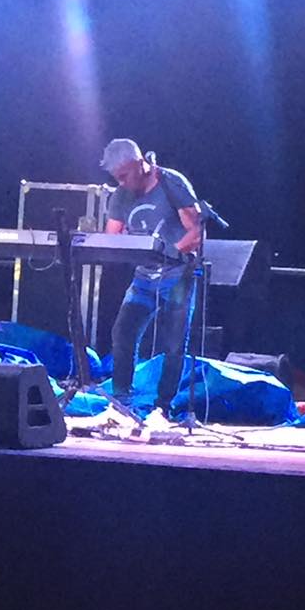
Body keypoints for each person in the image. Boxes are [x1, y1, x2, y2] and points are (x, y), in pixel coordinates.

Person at [101, 138, 203, 419]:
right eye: (117, 178)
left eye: (124, 175)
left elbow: (197, 231)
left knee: (173, 344)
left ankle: (163, 408)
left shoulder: (171, 183)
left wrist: (168, 253)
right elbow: (112, 236)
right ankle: (122, 403)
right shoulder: (121, 195)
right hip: (143, 278)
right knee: (123, 333)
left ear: (140, 164)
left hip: (178, 276)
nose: (122, 183)